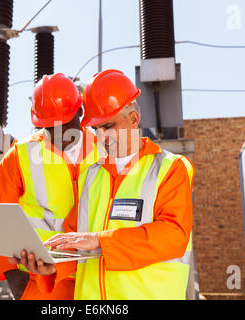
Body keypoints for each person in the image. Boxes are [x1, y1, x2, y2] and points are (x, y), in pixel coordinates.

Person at [18, 69, 194, 300]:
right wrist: (53, 266)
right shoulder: (90, 177)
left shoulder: (170, 168)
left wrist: (101, 240)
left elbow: (173, 235)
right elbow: (74, 239)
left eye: (108, 126)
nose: (102, 137)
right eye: (95, 129)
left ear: (133, 118)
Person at [0, 73, 100, 300]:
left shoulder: (104, 151)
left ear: (80, 111)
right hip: (42, 284)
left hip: (95, 278)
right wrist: (16, 282)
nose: (61, 136)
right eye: (51, 128)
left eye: (66, 125)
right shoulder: (21, 156)